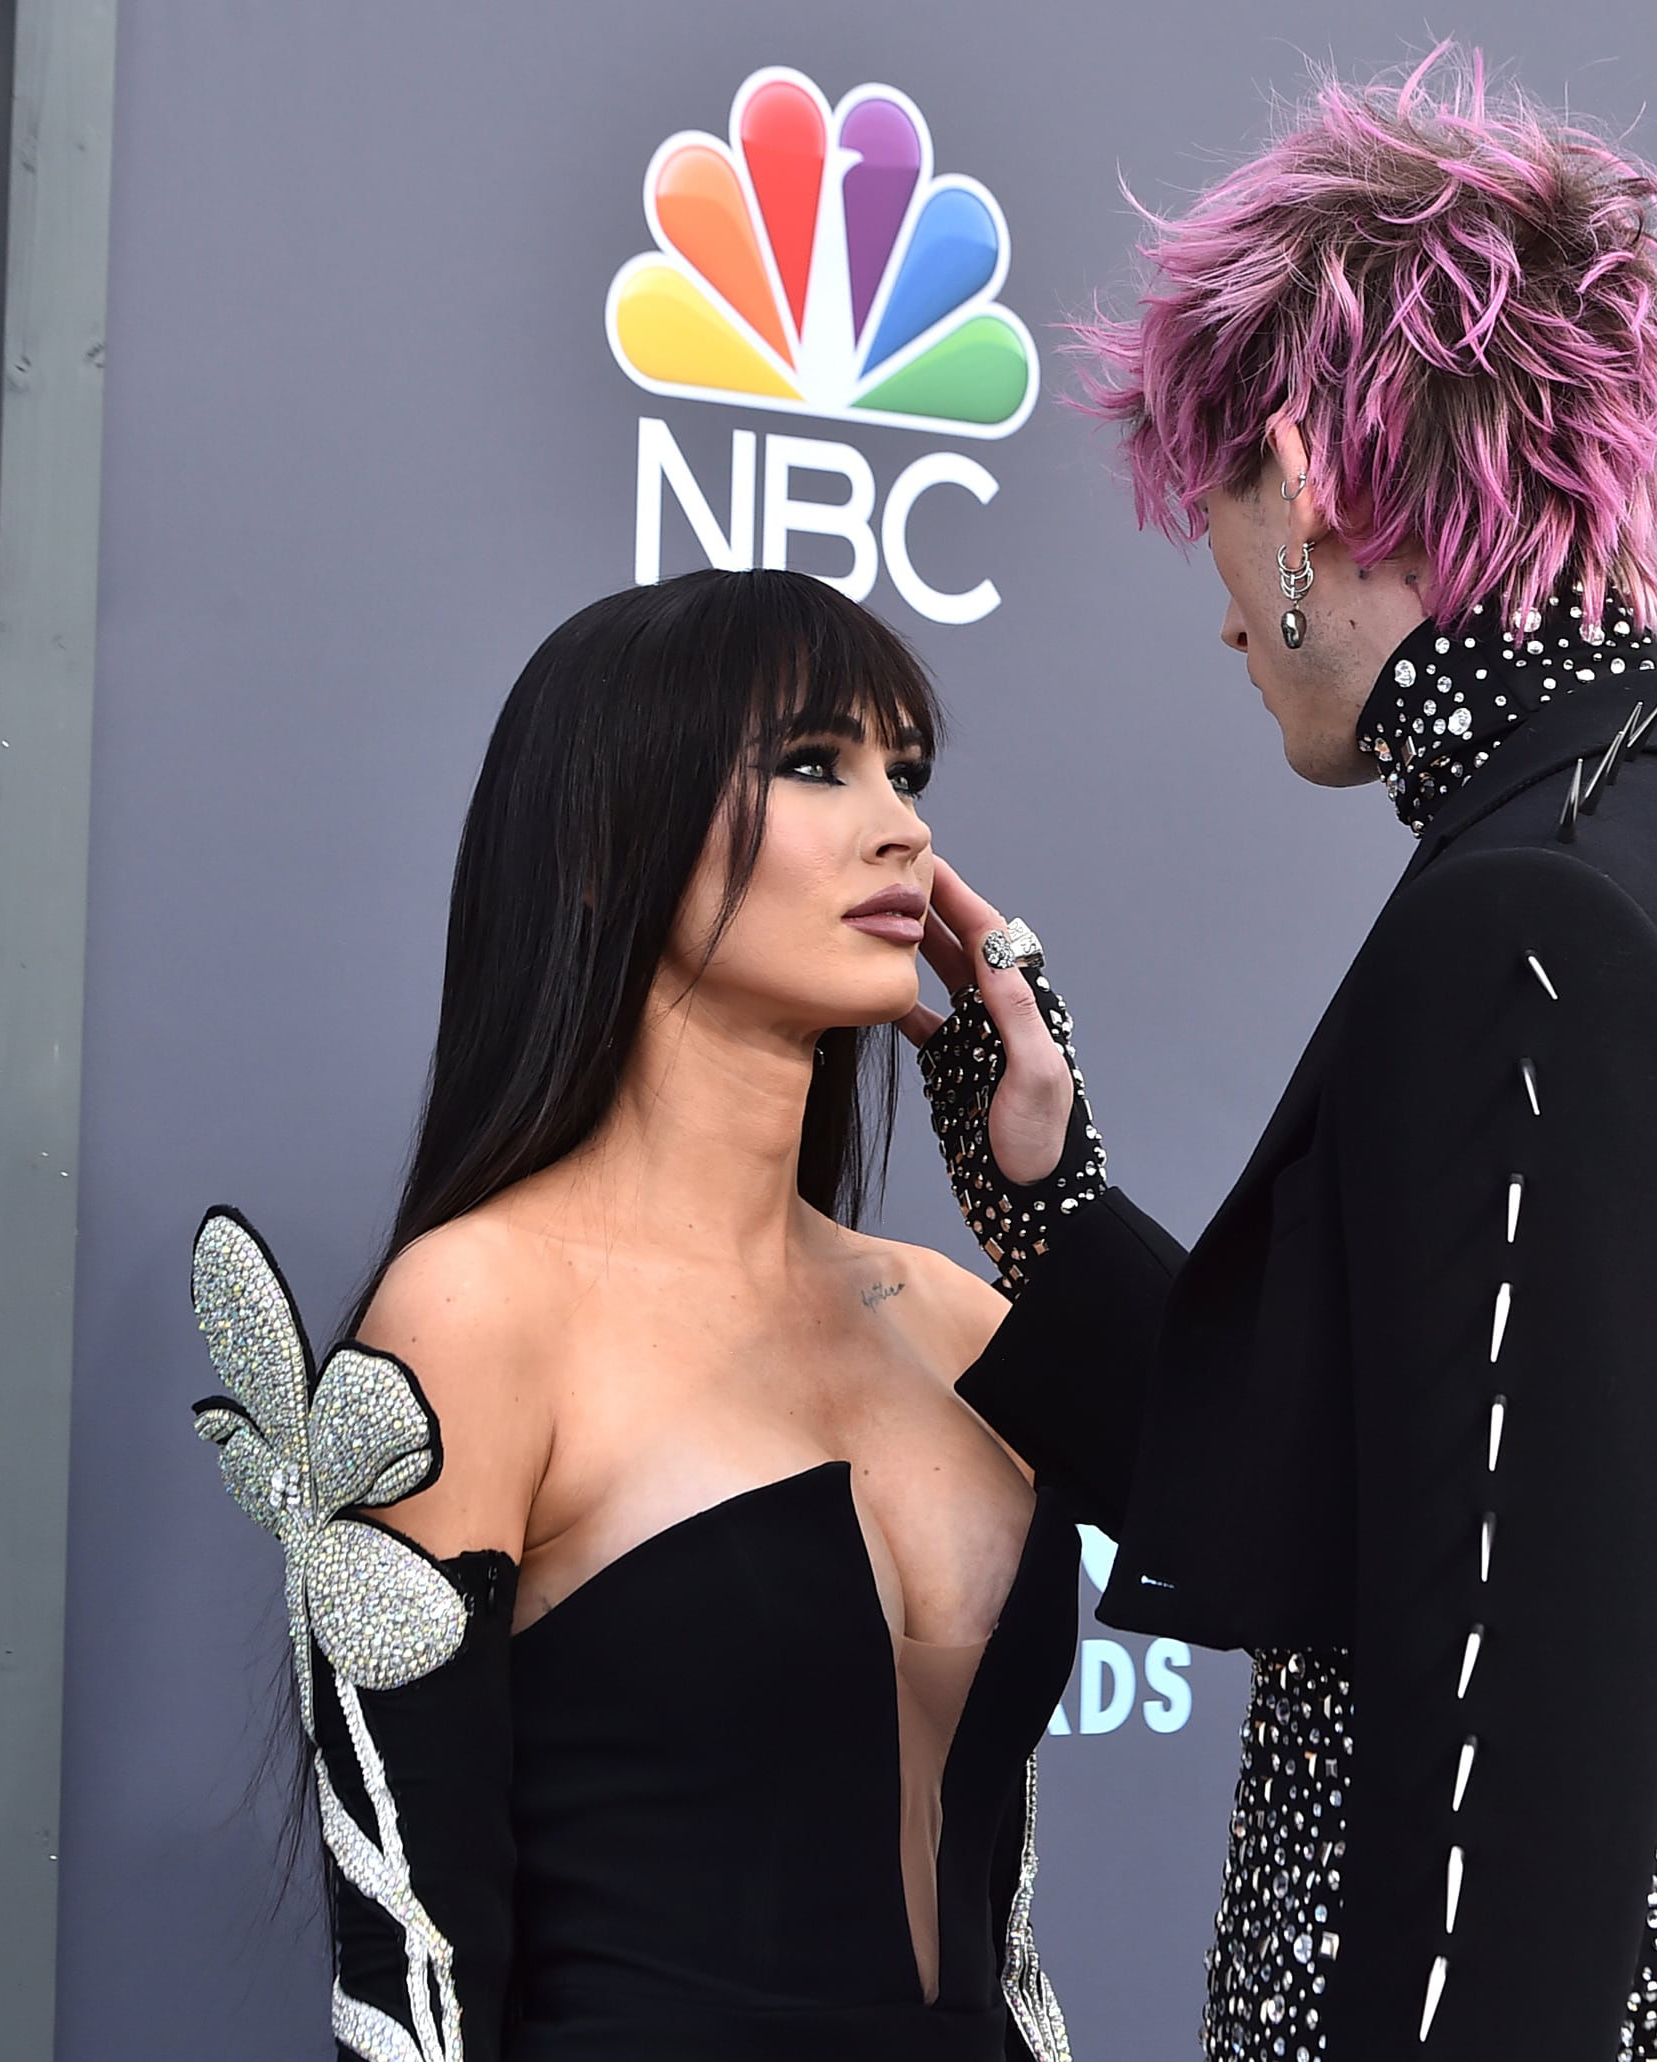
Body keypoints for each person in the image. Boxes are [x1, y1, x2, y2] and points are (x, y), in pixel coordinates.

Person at [905, 50, 1657, 2062]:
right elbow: (1380, 1500)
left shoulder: (1534, 927)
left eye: (1213, 510)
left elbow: (1517, 1721)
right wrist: (1042, 1190)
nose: (1223, 615)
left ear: (1303, 485)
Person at [186, 569, 1079, 2061]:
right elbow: (415, 1976)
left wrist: (1055, 1197)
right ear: (606, 836)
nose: (900, 827)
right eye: (813, 764)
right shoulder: (482, 1308)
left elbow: (1282, 1537)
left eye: (904, 769)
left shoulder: (961, 1319)